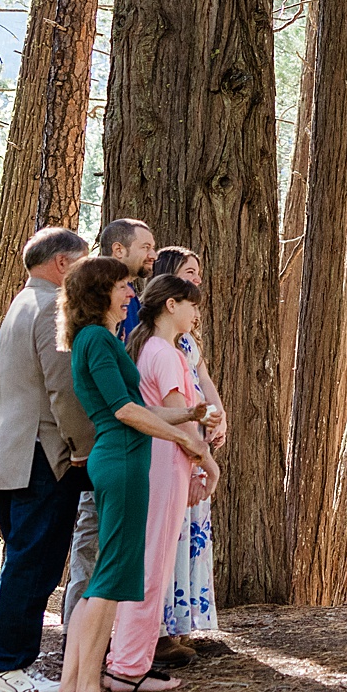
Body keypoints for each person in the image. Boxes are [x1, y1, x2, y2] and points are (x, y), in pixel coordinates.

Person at [55, 256, 212, 692]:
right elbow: (124, 411)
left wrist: (187, 419)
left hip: (129, 459)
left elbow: (140, 409)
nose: (130, 294)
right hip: (120, 462)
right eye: (123, 286)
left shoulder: (102, 340)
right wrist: (187, 442)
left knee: (109, 578)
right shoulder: (97, 340)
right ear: (100, 292)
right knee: (111, 579)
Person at [0, 227, 93, 692]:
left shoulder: (21, 303)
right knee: (35, 565)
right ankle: (9, 668)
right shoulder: (52, 307)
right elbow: (63, 389)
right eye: (83, 260)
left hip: (11, 452)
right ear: (62, 264)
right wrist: (82, 447)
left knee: (19, 560)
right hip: (43, 454)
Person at [103, 274, 217, 692]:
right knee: (153, 567)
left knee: (148, 563)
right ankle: (128, 666)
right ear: (171, 305)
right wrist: (208, 464)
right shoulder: (165, 355)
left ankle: (129, 659)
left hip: (155, 463)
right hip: (166, 464)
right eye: (191, 305)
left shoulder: (148, 348)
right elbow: (181, 421)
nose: (196, 313)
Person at [62, 218, 159, 616]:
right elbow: (78, 393)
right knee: (95, 550)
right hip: (104, 446)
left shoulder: (121, 318)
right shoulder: (94, 335)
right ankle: (78, 646)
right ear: (118, 251)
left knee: (114, 560)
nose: (152, 255)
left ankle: (99, 652)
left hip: (124, 445)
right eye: (145, 246)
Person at [149, 246, 226, 660]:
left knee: (191, 529)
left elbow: (202, 376)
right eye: (188, 272)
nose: (197, 278)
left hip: (195, 425)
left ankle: (183, 623)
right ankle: (157, 630)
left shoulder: (187, 336)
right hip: (171, 434)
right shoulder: (156, 338)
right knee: (169, 531)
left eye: (198, 272)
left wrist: (219, 414)